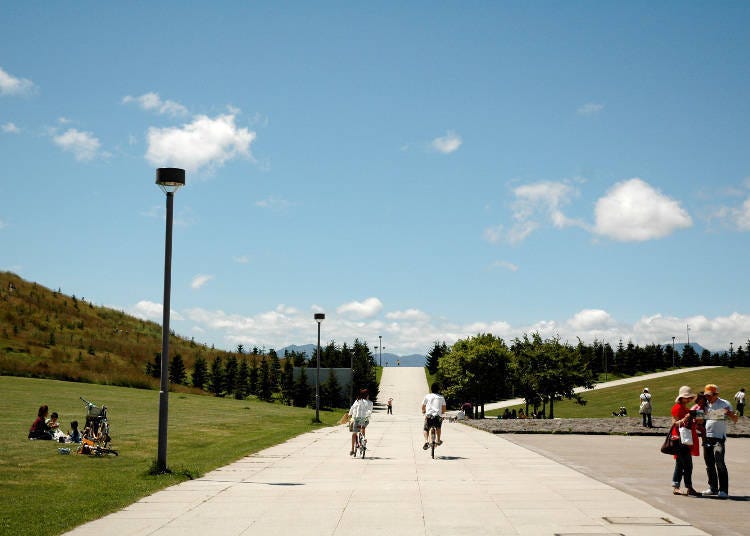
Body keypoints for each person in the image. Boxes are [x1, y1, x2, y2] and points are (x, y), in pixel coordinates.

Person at [701, 384, 739, 498]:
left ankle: (723, 490)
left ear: (716, 394)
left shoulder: (724, 403)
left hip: (718, 438)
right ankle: (713, 488)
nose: (707, 397)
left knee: (719, 463)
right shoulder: (705, 404)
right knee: (709, 464)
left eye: (709, 395)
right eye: (706, 395)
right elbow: (703, 417)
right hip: (706, 437)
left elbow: (735, 419)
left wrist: (729, 413)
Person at [671, 386, 700, 496]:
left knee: (682, 464)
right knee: (686, 464)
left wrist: (695, 419)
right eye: (686, 397)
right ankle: (685, 487)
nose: (688, 399)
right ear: (681, 398)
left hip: (685, 439)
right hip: (679, 439)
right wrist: (685, 418)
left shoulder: (686, 408)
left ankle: (680, 486)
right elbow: (674, 423)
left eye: (689, 398)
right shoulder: (677, 407)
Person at [422, 382, 446, 450]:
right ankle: (438, 440)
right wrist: (443, 415)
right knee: (438, 427)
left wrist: (423, 411)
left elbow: (423, 406)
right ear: (438, 390)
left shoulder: (427, 396)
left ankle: (426, 441)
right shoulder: (441, 397)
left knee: (426, 429)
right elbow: (444, 408)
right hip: (438, 416)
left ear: (431, 389)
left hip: (429, 416)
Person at [348, 388, 372, 456]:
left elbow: (352, 408)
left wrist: (349, 415)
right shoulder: (370, 403)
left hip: (357, 419)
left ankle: (352, 449)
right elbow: (370, 411)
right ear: (367, 395)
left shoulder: (358, 401)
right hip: (366, 419)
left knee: (354, 433)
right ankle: (363, 440)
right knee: (363, 428)